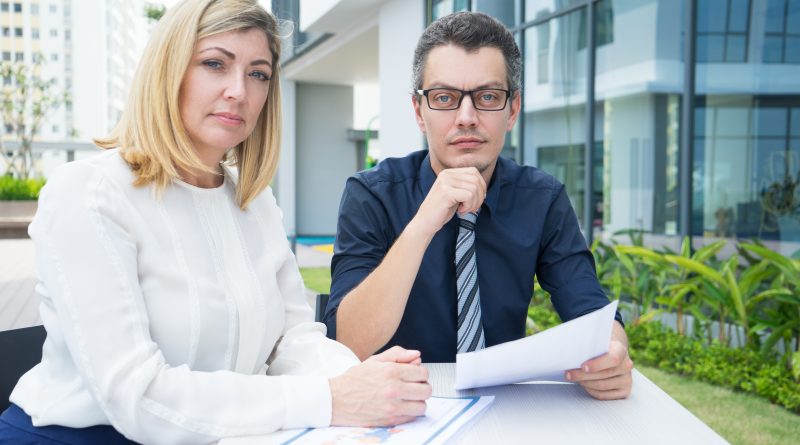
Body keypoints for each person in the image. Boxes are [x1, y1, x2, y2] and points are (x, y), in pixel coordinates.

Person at [0, 1, 430, 444]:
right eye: (214, 64)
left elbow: (293, 341)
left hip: (229, 435)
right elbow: (136, 395)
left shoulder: (254, 200)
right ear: (168, 70)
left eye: (258, 74)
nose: (239, 91)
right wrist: (331, 398)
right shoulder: (89, 193)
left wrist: (361, 382)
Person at [326, 11, 633, 400]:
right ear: (419, 112)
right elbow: (347, 342)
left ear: (513, 109)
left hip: (504, 405)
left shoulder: (542, 198)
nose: (467, 118)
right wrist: (423, 224)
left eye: (488, 97)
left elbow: (589, 307)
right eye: (444, 98)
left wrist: (613, 351)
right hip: (399, 407)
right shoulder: (371, 194)